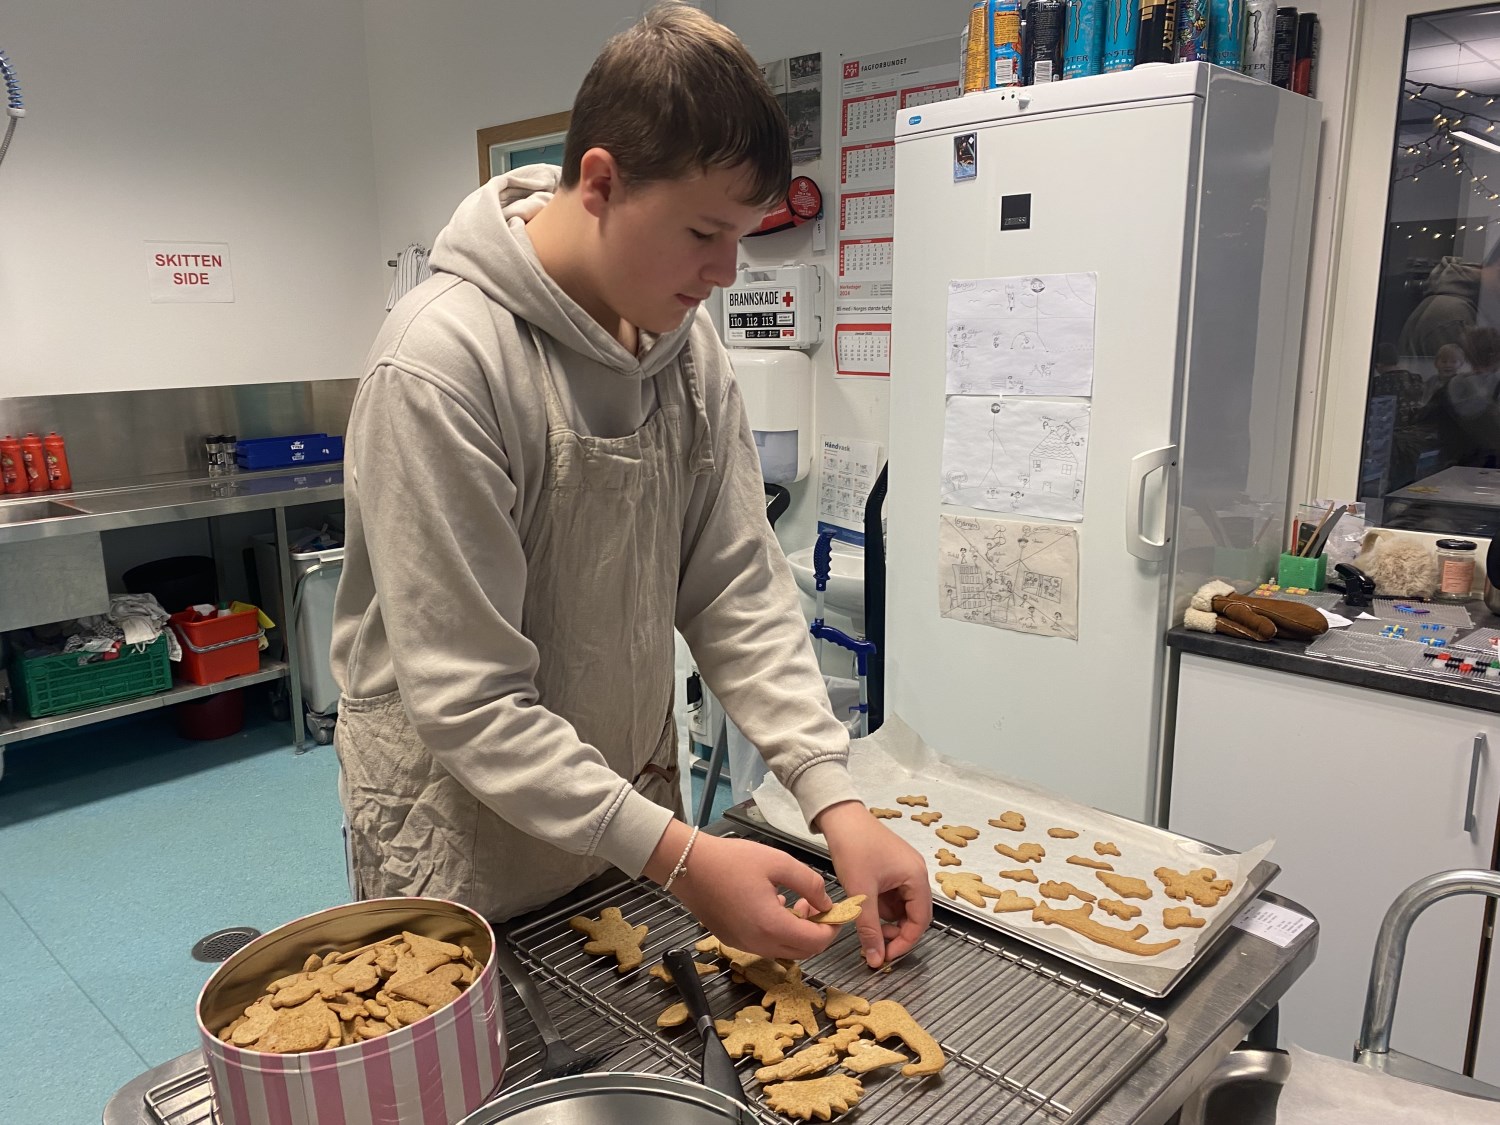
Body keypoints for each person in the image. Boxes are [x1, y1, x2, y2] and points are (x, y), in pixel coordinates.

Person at [330, 3, 929, 968]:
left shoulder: (687, 355)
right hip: (465, 847)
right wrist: (683, 857)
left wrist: (834, 797)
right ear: (602, 182)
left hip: (630, 829)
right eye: (704, 232)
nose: (726, 271)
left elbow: (736, 588)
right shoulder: (444, 365)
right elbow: (469, 699)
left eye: (743, 236)